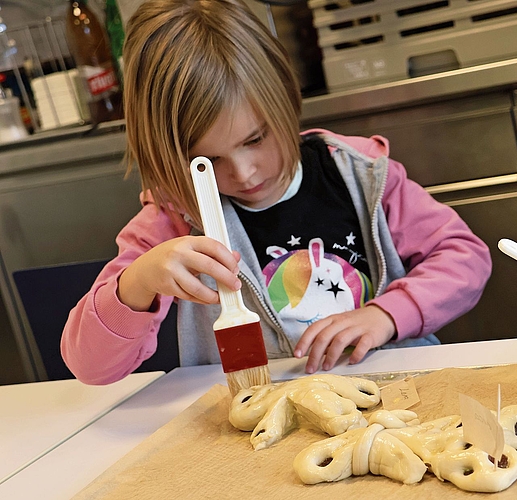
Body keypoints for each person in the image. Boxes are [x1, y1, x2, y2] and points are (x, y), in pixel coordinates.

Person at [61, 0, 492, 385]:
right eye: (207, 162)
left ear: (285, 98)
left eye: (255, 139)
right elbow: (90, 367)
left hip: (400, 391)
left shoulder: (359, 173)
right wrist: (136, 283)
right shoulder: (169, 224)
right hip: (260, 422)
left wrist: (387, 314)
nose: (245, 174)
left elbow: (464, 256)